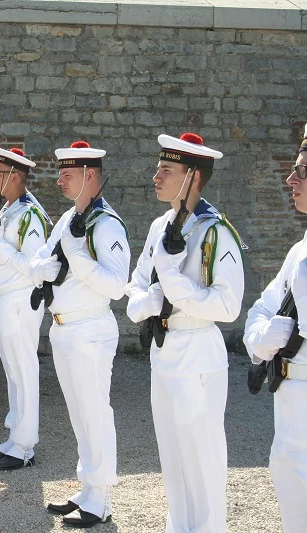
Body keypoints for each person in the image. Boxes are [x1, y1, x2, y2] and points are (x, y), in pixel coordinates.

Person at [125, 133, 245, 533]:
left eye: (166, 170)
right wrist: (149, 300)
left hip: (197, 349)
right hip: (164, 348)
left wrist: (176, 289)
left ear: (193, 176)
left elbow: (228, 306)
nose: (155, 176)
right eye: (158, 167)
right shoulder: (161, 225)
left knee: (203, 456)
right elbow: (138, 282)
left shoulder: (215, 233)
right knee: (173, 457)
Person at [30, 142, 130, 527]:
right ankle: (88, 487)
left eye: (66, 174)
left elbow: (117, 284)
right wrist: (52, 261)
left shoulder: (106, 224)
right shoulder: (70, 218)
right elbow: (44, 257)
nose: (58, 179)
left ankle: (101, 499)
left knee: (95, 413)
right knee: (78, 415)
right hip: (63, 328)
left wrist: (77, 257)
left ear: (90, 176)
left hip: (90, 328)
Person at [243, 123, 307, 533]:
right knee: (291, 495)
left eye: (301, 171)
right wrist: (261, 339)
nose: (290, 178)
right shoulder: (299, 249)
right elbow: (258, 310)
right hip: (289, 400)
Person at [0, 147, 52, 471]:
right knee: (12, 372)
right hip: (3, 298)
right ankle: (14, 437)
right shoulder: (9, 212)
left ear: (16, 177)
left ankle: (25, 447)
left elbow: (32, 266)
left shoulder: (30, 217)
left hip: (21, 299)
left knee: (24, 370)